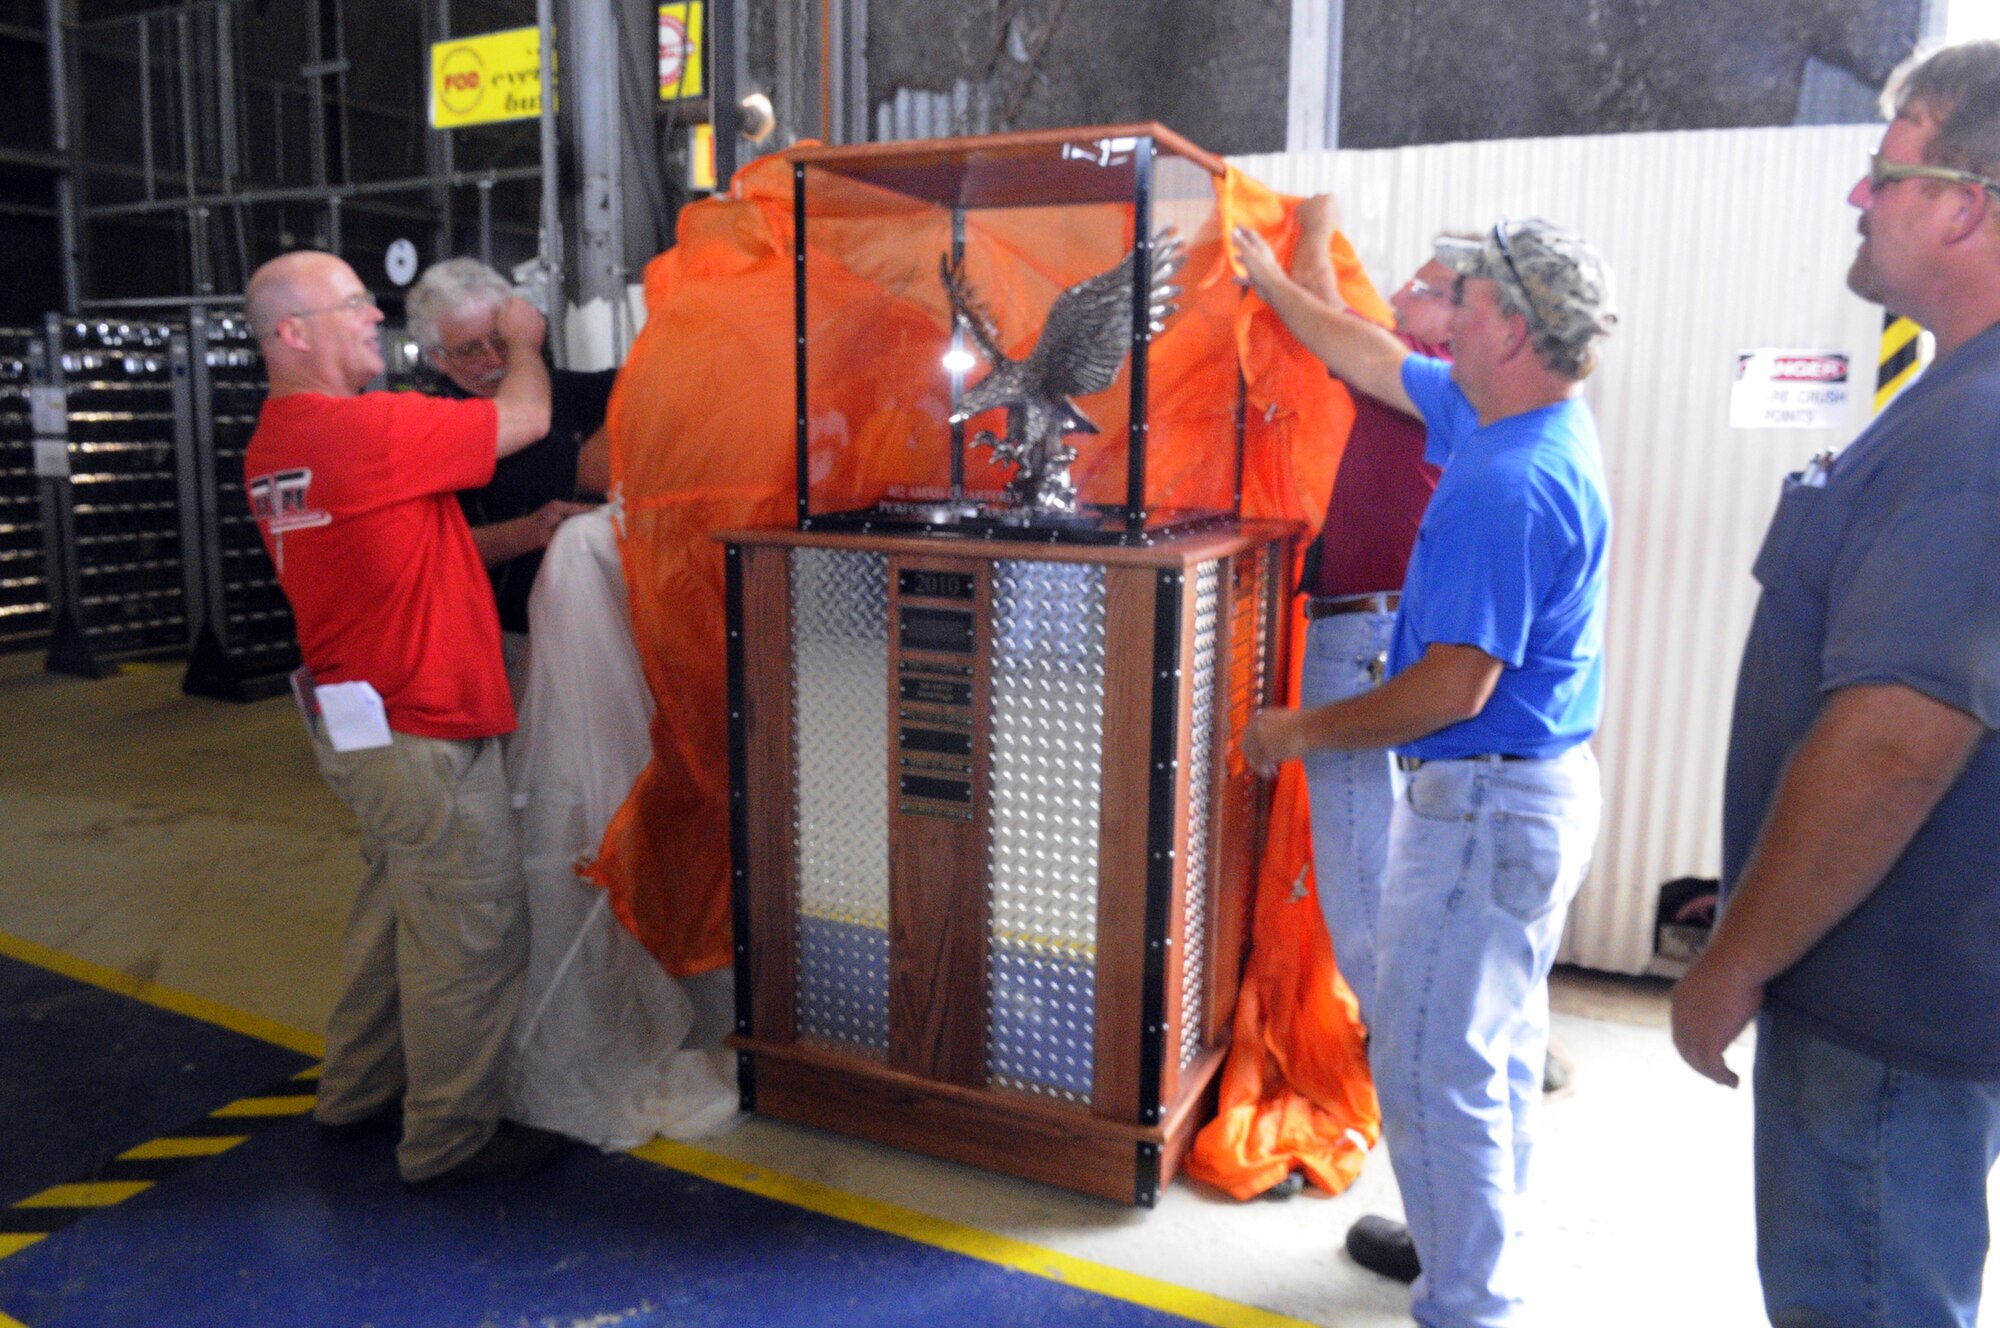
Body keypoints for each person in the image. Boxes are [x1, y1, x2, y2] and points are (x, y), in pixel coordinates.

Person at [1234, 215, 1616, 1328]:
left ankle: (1465, 1300)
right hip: (1518, 796)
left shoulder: (1510, 479)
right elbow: (1357, 349)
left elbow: (1454, 687)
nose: (1444, 316)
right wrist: (1269, 276)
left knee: (1427, 1059)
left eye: (1469, 299)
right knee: (1482, 1051)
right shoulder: (1505, 414)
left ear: (1510, 330)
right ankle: (1459, 1242)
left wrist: (1296, 731)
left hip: (1483, 802)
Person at [1670, 40, 2000, 1328]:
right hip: (1890, 994)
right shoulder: (1945, 403)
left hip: (1880, 1018)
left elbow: (1892, 743)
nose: (1856, 199)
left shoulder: (1973, 432)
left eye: (1883, 172)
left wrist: (1730, 959)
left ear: (1964, 203)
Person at [242, 249, 569, 1187]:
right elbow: (530, 417)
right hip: (423, 725)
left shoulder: (279, 448)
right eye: (351, 305)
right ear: (292, 333)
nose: (372, 318)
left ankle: (355, 1093)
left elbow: (413, 542)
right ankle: (449, 1140)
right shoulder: (368, 430)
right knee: (471, 934)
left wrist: (532, 530)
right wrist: (523, 342)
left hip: (363, 729)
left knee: (394, 913)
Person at [1286, 194, 1446, 1034]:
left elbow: (1315, 299)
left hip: (1367, 641)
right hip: (1391, 637)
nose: (1398, 293)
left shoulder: (1420, 376)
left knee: (1360, 869)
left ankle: (1407, 1060)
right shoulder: (1453, 390)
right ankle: (1431, 1040)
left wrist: (1311, 226)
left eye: (1421, 287)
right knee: (1394, 864)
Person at [406, 257, 609, 678]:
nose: (494, 359)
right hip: (499, 638)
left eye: (502, 340)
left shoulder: (576, 392)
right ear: (438, 359)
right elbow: (428, 554)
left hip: (598, 628)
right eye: (469, 350)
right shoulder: (425, 428)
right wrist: (528, 531)